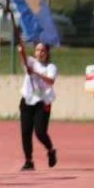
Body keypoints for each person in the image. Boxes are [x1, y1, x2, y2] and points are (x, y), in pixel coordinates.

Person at [18, 42, 58, 171]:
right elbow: (24, 59)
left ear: (47, 53)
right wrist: (21, 50)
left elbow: (51, 81)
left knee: (40, 132)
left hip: (42, 102)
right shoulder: (31, 62)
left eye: (43, 51)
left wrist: (35, 73)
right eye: (37, 50)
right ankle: (28, 160)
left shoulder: (51, 67)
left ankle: (50, 150)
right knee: (25, 132)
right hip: (27, 100)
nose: (40, 53)